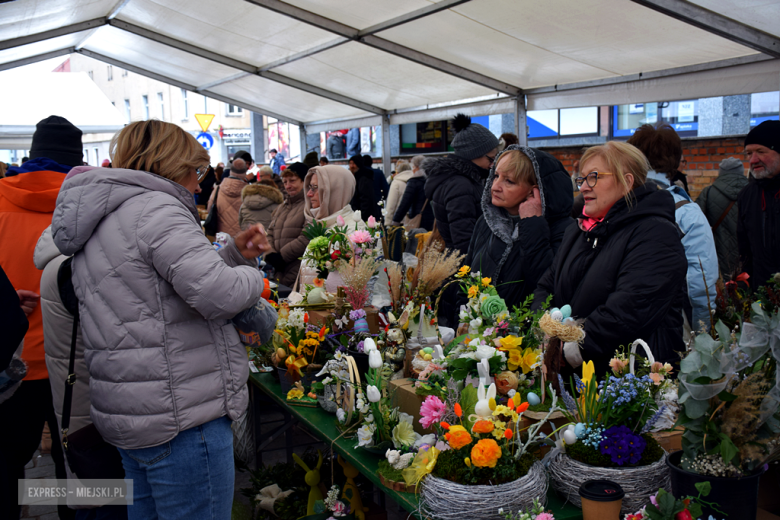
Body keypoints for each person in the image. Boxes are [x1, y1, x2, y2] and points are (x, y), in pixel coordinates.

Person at [50, 120, 269, 520]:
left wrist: (233, 256)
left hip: (134, 412)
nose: (199, 184)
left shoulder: (107, 214)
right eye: (196, 170)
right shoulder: (158, 208)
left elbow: (157, 294)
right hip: (181, 415)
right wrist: (256, 278)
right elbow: (217, 293)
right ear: (170, 163)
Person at [533, 141, 687, 376]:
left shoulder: (656, 234)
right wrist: (546, 333)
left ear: (627, 181)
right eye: (581, 179)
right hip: (575, 376)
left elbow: (628, 311)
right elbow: (546, 285)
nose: (584, 187)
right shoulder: (579, 230)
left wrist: (569, 350)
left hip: (628, 383)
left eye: (593, 177)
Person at [0, 115, 84, 520]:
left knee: (7, 467)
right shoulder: (88, 204)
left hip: (10, 361)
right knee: (83, 473)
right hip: (75, 361)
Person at [34, 221, 128, 519]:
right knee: (108, 503)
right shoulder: (79, 266)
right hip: (99, 420)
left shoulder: (64, 255)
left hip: (85, 413)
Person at [628, 123, 717, 333]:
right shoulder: (687, 213)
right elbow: (700, 284)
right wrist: (702, 334)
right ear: (675, 160)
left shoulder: (617, 205)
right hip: (671, 327)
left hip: (619, 325)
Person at [463, 146, 573, 312]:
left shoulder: (565, 230)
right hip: (479, 333)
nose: (495, 187)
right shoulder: (486, 222)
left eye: (509, 181)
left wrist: (532, 224)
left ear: (536, 190)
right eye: (496, 176)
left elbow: (545, 286)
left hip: (525, 333)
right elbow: (466, 280)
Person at [424, 113, 499, 254]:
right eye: (491, 159)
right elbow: (464, 239)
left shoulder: (463, 180)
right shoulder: (459, 185)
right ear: (473, 154)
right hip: (468, 265)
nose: (492, 165)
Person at [738, 120, 780, 288]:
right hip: (761, 300)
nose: (753, 159)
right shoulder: (746, 196)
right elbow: (745, 253)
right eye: (749, 153)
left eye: (761, 152)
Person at [695, 157, 748, 278]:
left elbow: (696, 226)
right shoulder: (754, 192)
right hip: (749, 257)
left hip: (718, 257)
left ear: (721, 172)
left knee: (723, 292)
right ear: (741, 171)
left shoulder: (708, 193)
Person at [265, 162, 309, 287]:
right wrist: (270, 254)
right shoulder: (282, 207)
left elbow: (306, 236)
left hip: (298, 268)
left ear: (304, 181)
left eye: (292, 181)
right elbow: (270, 232)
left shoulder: (309, 206)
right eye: (285, 182)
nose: (288, 186)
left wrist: (282, 256)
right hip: (279, 270)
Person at [208, 157, 250, 236]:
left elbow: (209, 209)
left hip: (221, 238)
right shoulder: (249, 192)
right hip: (242, 239)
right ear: (245, 173)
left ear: (230, 171)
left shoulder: (218, 189)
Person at [392, 155, 434, 231]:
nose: (413, 170)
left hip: (419, 220)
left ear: (417, 167)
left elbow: (405, 203)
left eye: (413, 167)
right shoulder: (432, 180)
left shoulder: (414, 182)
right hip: (433, 221)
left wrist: (395, 221)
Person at [348, 155, 378, 222]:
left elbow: (365, 199)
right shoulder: (356, 177)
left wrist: (362, 217)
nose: (351, 166)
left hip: (364, 216)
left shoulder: (364, 178)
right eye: (350, 163)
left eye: (354, 163)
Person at [384, 160, 413, 226]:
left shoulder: (396, 182)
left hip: (398, 221)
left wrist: (387, 222)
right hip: (413, 221)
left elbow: (391, 204)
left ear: (398, 170)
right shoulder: (416, 181)